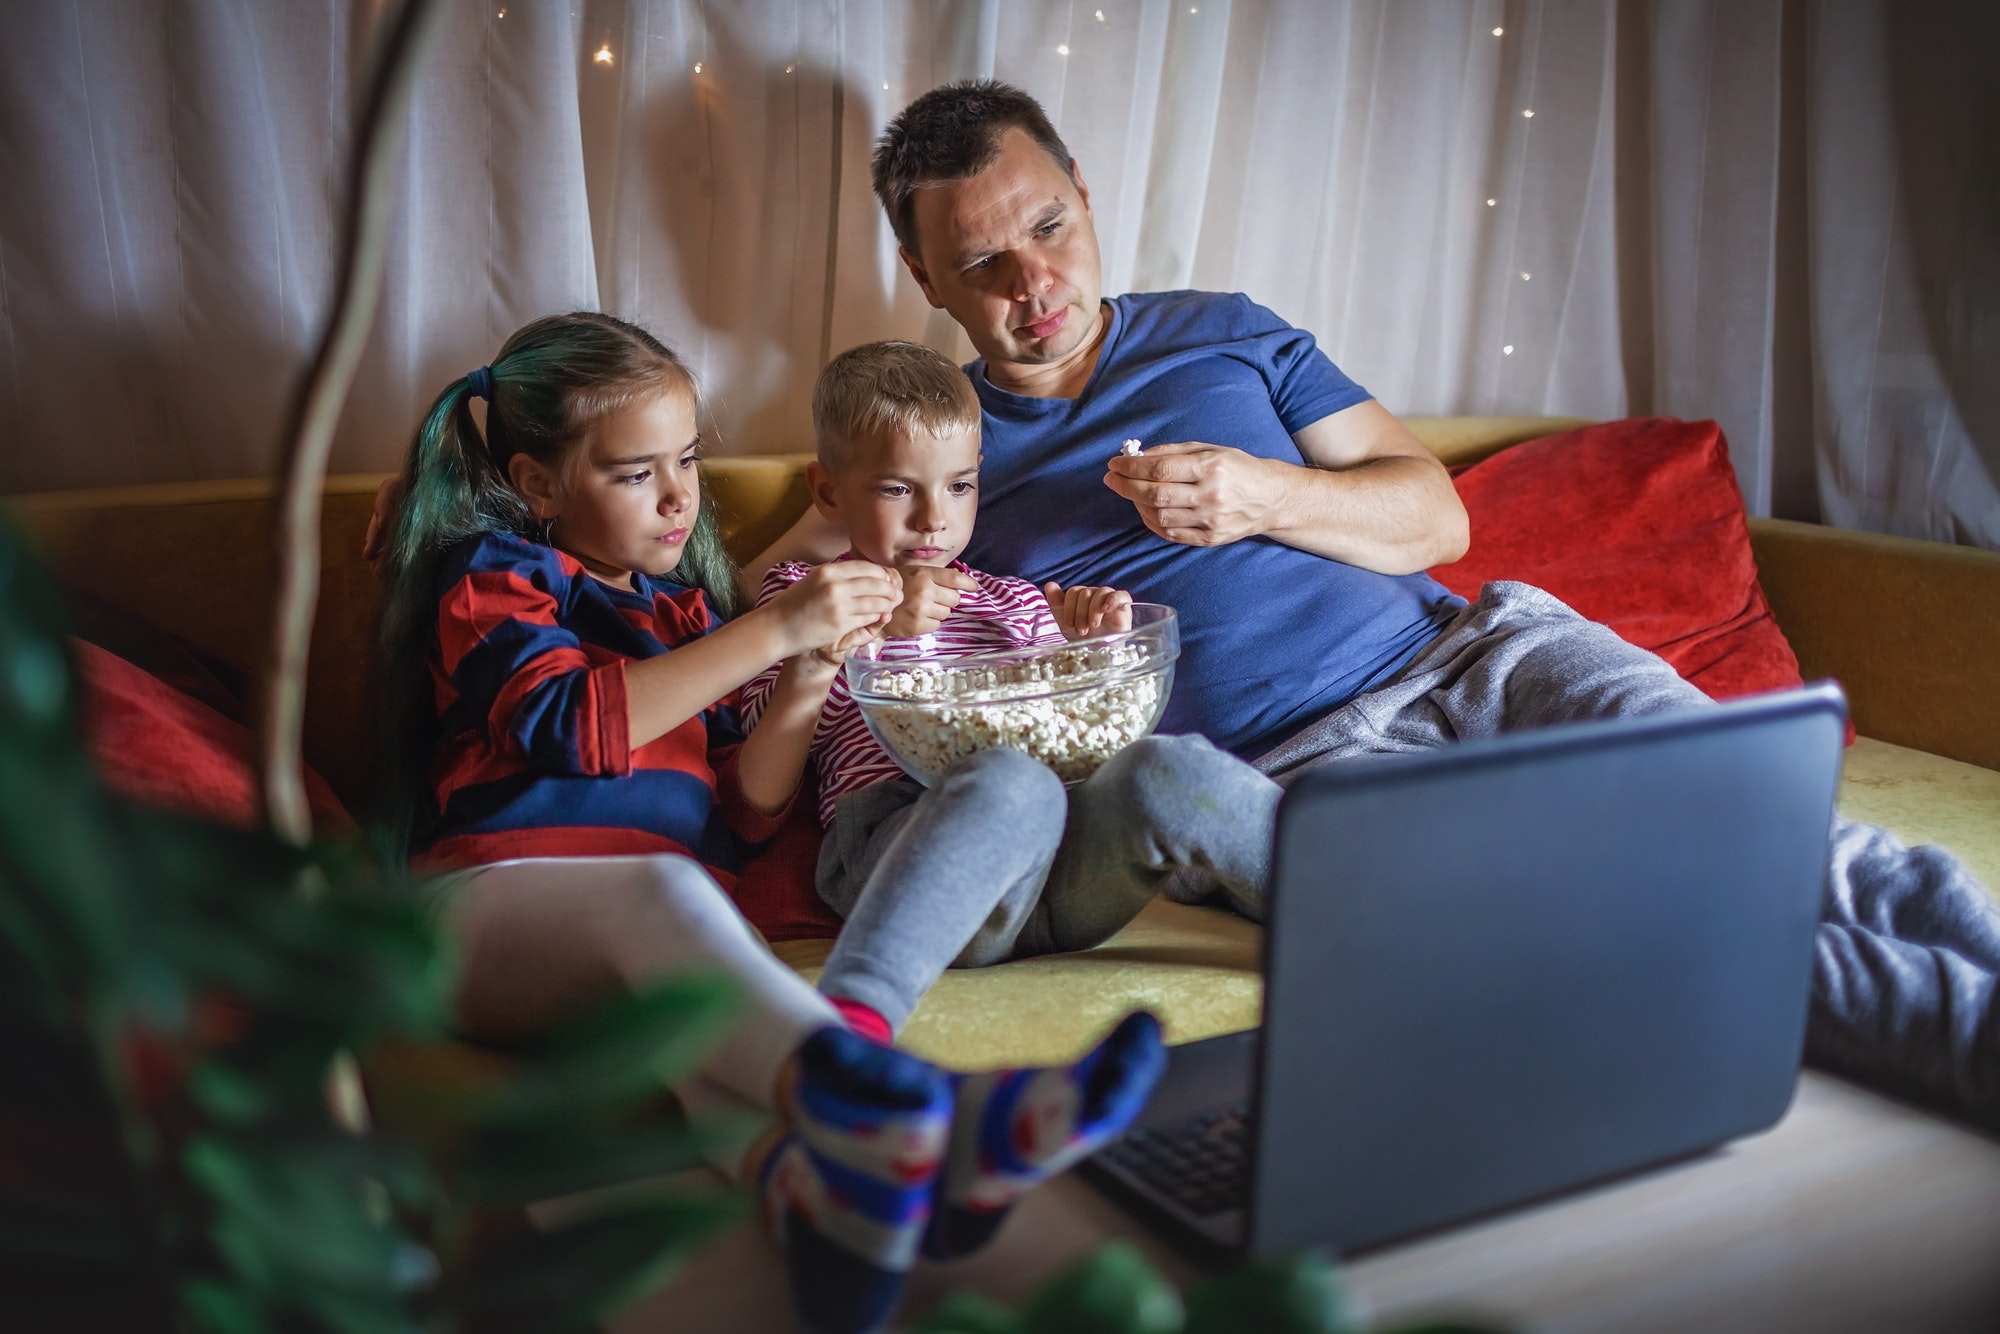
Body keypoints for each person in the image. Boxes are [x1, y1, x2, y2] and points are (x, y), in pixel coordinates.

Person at [746, 80, 2000, 1131]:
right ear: (922, 273)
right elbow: (771, 578)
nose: (1036, 280)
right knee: (1629, 907)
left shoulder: (1226, 331)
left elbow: (1435, 517)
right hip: (1303, 765)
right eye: (981, 260)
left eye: (1050, 224)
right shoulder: (937, 456)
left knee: (1767, 819)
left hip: (1486, 649)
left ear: (1083, 189)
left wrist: (1259, 493)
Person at [371, 311, 1166, 1334]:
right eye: (632, 472)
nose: (677, 497)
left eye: (688, 461)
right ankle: (934, 1111)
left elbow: (749, 810)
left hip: (634, 937)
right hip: (480, 907)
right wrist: (777, 625)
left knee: (707, 1033)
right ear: (536, 484)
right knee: (668, 896)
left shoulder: (687, 616)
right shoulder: (495, 575)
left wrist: (809, 668)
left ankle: (814, 1199)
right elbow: (570, 722)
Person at [740, 340, 1276, 1043]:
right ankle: (851, 1028)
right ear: (829, 492)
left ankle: (1372, 910)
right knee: (1008, 779)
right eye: (898, 488)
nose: (935, 517)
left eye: (959, 486)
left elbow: (1079, 737)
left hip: (1062, 867)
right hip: (909, 844)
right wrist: (858, 638)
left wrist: (1094, 655)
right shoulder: (805, 599)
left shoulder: (1015, 600)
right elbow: (762, 795)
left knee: (1171, 768)